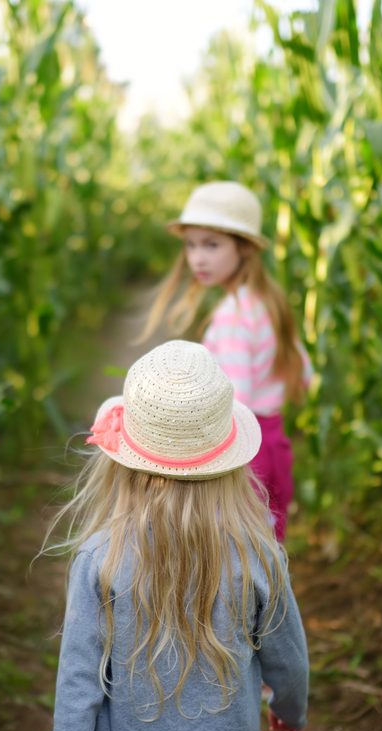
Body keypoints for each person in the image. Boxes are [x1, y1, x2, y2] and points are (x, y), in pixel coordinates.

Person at [47, 340, 309, 731]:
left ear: (124, 465)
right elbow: (287, 658)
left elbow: (78, 685)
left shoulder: (101, 557)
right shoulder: (259, 554)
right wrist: (291, 712)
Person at [139, 181, 313, 541]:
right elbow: (305, 374)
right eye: (190, 245)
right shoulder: (268, 301)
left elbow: (236, 405)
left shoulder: (233, 316)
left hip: (246, 458)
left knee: (237, 558)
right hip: (275, 445)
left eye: (212, 245)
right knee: (267, 552)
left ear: (245, 248)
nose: (198, 258)